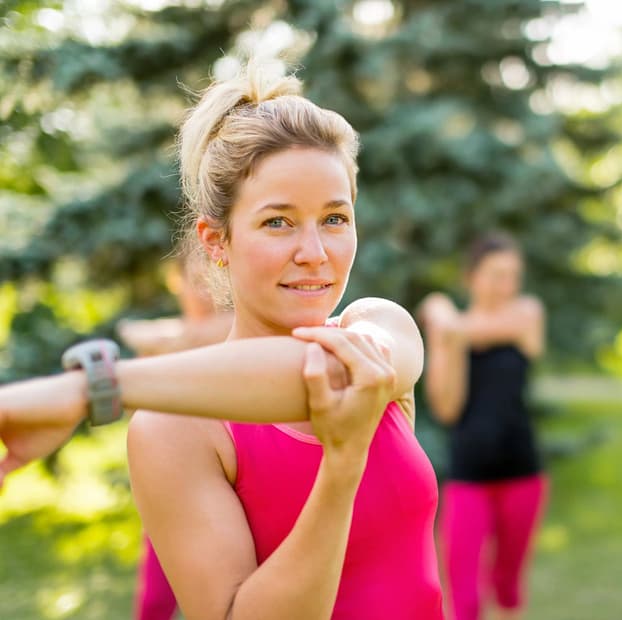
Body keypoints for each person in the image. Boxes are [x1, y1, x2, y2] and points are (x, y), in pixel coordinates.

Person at [0, 62, 444, 620]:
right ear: (216, 240)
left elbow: (322, 372)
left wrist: (89, 391)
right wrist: (341, 463)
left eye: (335, 218)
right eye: (278, 222)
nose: (315, 252)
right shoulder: (172, 429)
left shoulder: (381, 327)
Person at [419, 233, 547, 620]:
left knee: (508, 588)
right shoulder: (450, 334)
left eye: (512, 275)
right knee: (465, 601)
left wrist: (441, 316)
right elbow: (447, 409)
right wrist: (449, 341)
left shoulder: (525, 313)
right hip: (469, 476)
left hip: (522, 472)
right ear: (470, 277)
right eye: (495, 275)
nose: (505, 285)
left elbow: (470, 326)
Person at [118, 253, 232, 620]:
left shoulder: (234, 333)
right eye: (193, 281)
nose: (202, 292)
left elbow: (148, 335)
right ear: (176, 282)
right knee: (153, 603)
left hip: (228, 486)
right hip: (174, 490)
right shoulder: (167, 339)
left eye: (209, 280)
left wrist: (166, 339)